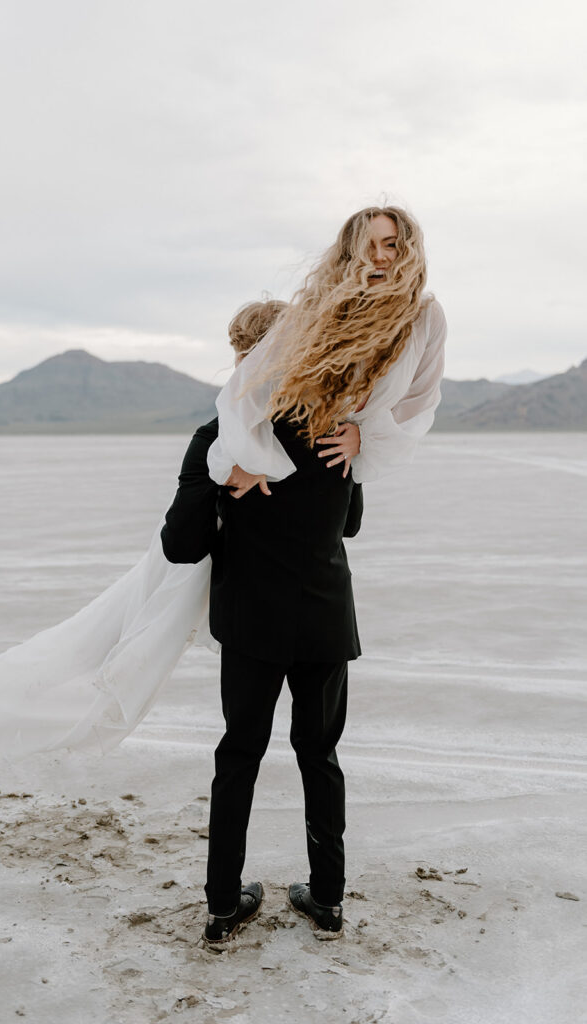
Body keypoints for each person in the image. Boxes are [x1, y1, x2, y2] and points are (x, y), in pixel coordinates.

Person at [176, 205, 446, 944]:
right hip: (325, 616)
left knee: (238, 758)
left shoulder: (233, 440)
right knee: (319, 757)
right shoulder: (342, 430)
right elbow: (350, 522)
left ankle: (224, 905)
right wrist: (360, 441)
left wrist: (221, 476)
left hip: (253, 621)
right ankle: (326, 898)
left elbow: (180, 544)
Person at [0, 301, 298, 761]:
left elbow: (182, 545)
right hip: (291, 602)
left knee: (128, 651)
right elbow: (347, 524)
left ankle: (17, 709)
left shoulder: (218, 435)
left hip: (238, 601)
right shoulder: (319, 435)